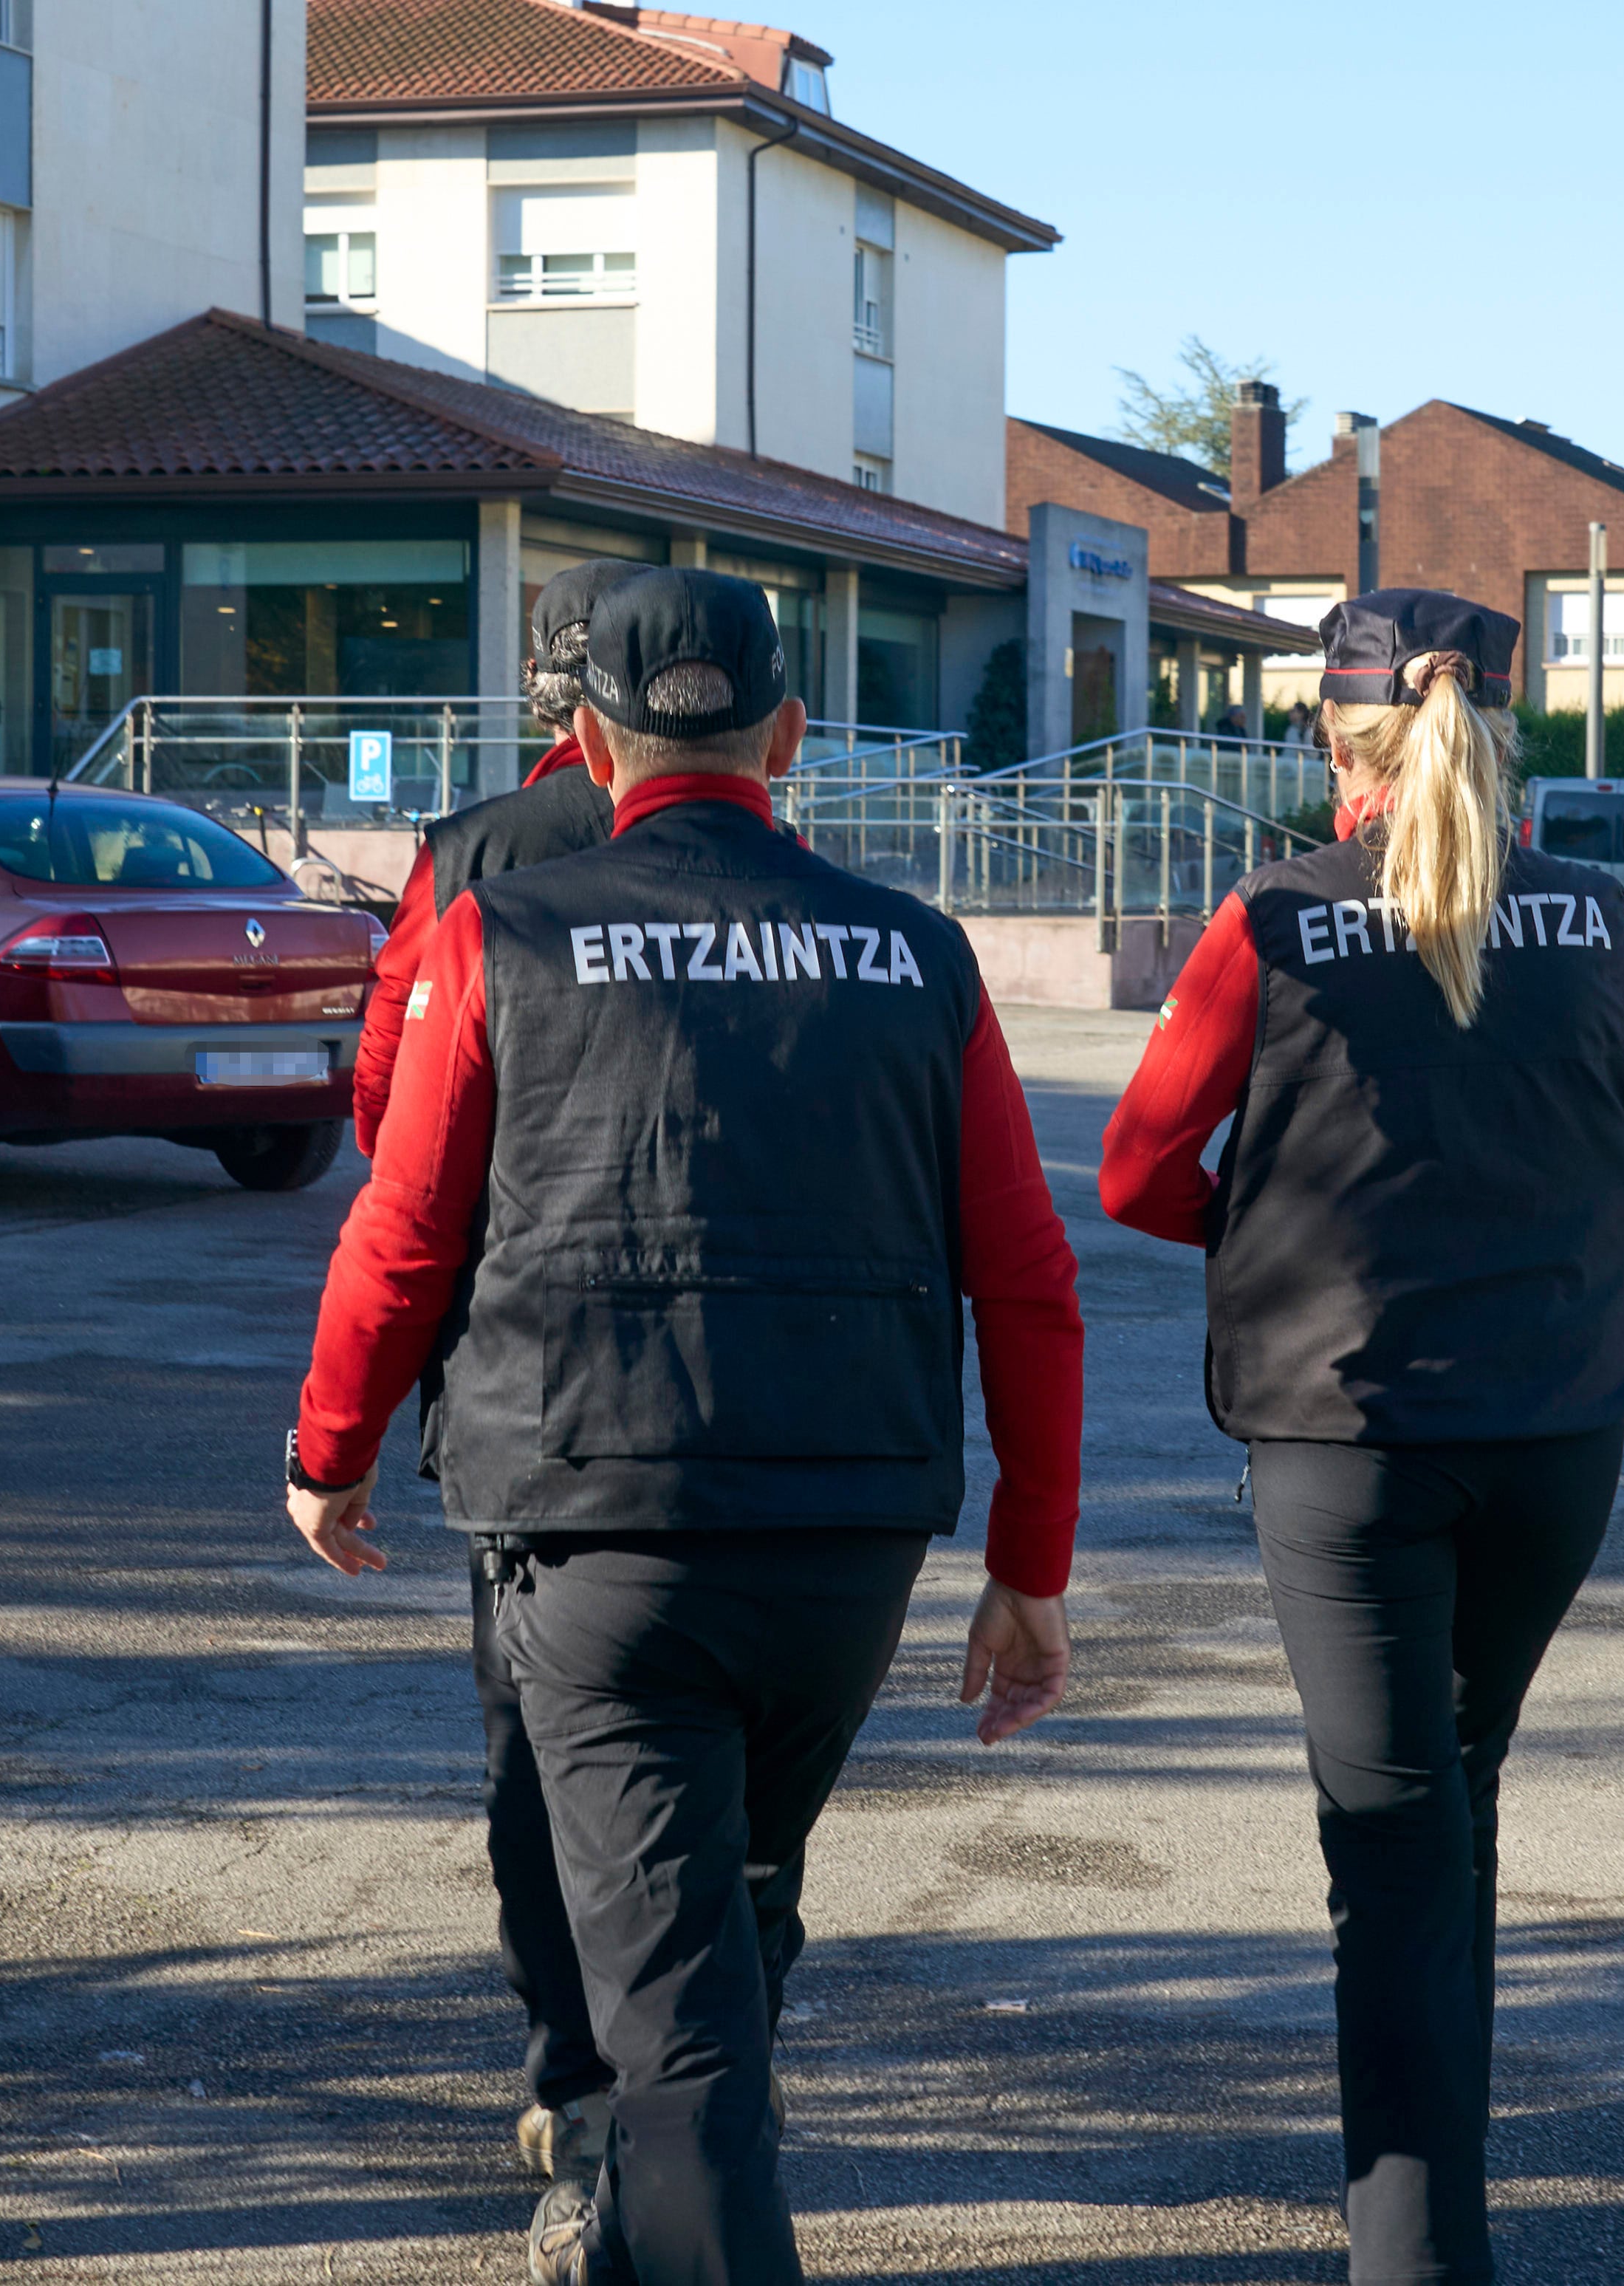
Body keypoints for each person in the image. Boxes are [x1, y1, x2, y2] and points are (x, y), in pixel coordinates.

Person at [287, 568, 1083, 2286]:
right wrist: (1031, 1566)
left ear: (588, 741)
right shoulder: (916, 953)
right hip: (848, 1548)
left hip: (600, 1535)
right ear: (790, 738)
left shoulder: (507, 932)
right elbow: (1028, 1278)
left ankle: (666, 2191)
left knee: (681, 2043)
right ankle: (650, 2196)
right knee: (728, 1920)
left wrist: (330, 1444)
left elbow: (405, 1227)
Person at [1096, 590, 1624, 2286]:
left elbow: (1137, 1173)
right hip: (1553, 1427)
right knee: (1452, 1805)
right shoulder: (1601, 919)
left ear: (1334, 729)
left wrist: (1283, 1236)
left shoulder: (1276, 920)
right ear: (1509, 725)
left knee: (1392, 1836)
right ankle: (1434, 2222)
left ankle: (1417, 2254)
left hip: (1348, 1438)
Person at [341, 557, 645, 2190]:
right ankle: (707, 2061)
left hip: (521, 1378)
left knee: (534, 1749)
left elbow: (386, 1099)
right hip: (747, 1381)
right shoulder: (761, 842)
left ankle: (572, 2070)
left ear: (542, 700)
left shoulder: (466, 856)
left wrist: (352, 1417)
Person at [353, 558, 642, 1160]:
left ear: (535, 680)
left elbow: (390, 1048)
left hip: (505, 1220)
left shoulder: (464, 851)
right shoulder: (769, 840)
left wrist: (405, 1179)